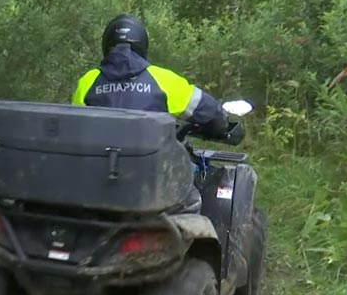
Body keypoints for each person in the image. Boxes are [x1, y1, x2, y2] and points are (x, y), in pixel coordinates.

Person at [71, 13, 233, 211]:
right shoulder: (162, 79)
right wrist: (223, 124)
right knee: (191, 198)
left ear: (107, 45)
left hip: (100, 178)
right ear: (142, 45)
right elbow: (210, 111)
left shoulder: (87, 82)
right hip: (153, 181)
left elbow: (76, 128)